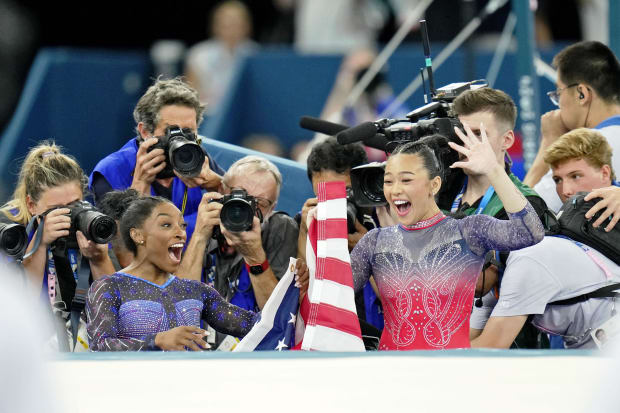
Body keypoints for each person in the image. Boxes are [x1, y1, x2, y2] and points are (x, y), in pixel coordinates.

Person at [347, 125, 545, 350]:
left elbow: (530, 232)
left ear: (434, 184)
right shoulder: (374, 242)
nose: (395, 190)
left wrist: (494, 170)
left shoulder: (468, 232)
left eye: (406, 180)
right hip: (394, 375)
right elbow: (333, 295)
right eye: (389, 181)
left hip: (452, 373)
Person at [470, 128, 620, 349]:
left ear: (605, 173)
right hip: (572, 347)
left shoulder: (532, 257)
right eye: (558, 179)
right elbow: (522, 206)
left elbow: (486, 349)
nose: (566, 189)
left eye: (576, 176)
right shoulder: (556, 217)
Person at [86, 194, 260, 351]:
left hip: (188, 385)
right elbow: (100, 346)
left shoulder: (196, 290)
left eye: (182, 225)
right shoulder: (110, 286)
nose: (181, 233)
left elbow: (257, 325)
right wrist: (156, 340)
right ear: (137, 235)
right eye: (166, 225)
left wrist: (259, 259)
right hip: (136, 385)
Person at [0, 142, 115, 350]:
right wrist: (40, 245)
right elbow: (20, 310)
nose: (67, 215)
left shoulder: (93, 227)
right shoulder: (13, 239)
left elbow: (115, 312)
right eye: (55, 209)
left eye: (74, 204)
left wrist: (100, 258)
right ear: (32, 205)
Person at [89, 77, 225, 245]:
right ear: (145, 131)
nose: (180, 140)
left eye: (188, 131)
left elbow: (243, 212)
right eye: (171, 131)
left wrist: (216, 183)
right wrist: (139, 185)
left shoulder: (195, 157)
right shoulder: (111, 170)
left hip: (192, 268)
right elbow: (117, 251)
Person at [179, 156, 299, 314]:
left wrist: (255, 256)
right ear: (222, 190)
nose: (245, 209)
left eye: (259, 203)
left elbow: (278, 317)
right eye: (239, 196)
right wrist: (200, 237)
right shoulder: (190, 226)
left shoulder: (280, 230)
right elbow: (179, 304)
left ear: (272, 209)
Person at [299, 137, 383, 334]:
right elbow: (300, 293)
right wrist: (306, 232)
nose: (336, 201)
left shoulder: (387, 222)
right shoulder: (305, 221)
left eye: (345, 192)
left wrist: (369, 248)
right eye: (326, 193)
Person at [524, 41, 620, 212]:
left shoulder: (589, 148)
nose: (558, 103)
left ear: (582, 94)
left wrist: (549, 143)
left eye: (558, 93)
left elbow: (519, 218)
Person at [184, 0, 258, 111]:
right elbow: (189, 97)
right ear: (215, 26)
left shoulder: (256, 54)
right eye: (226, 24)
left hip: (245, 115)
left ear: (247, 26)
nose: (231, 30)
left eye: (236, 23)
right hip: (208, 117)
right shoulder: (199, 54)